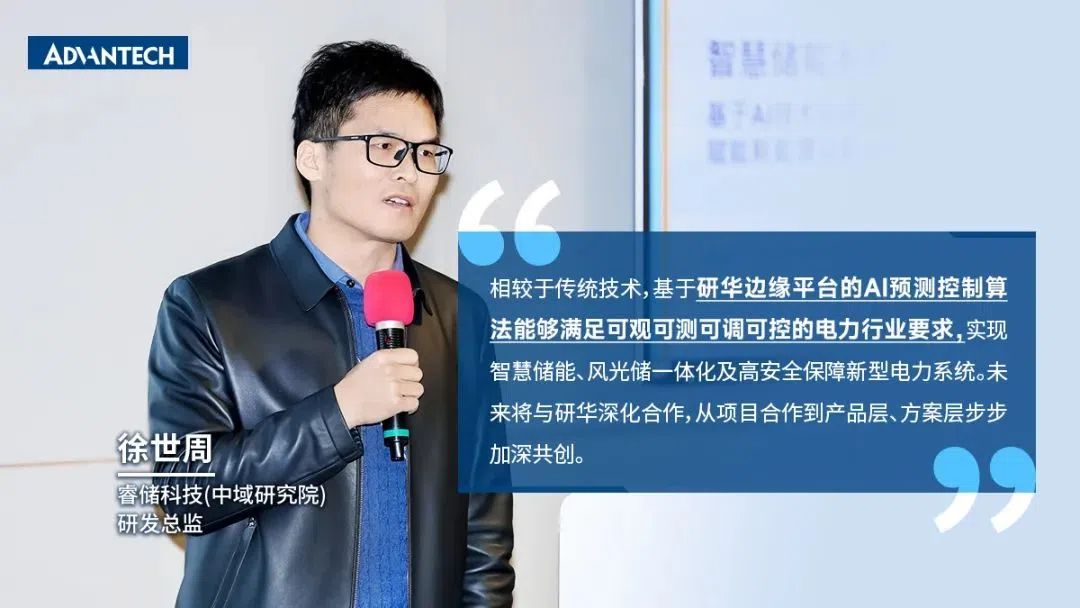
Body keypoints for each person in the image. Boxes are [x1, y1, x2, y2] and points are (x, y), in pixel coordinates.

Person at [147, 40, 514, 608]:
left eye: (426, 153)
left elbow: (484, 534)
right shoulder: (208, 304)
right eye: (385, 147)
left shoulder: (459, 315)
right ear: (312, 159)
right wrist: (338, 413)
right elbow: (181, 494)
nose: (411, 172)